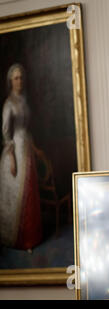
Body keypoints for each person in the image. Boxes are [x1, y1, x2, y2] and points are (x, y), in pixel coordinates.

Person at [0, 63, 42, 250]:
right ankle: (18, 239)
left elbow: (27, 128)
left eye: (21, 77)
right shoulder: (8, 104)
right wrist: (12, 159)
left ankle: (30, 238)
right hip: (15, 151)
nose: (19, 81)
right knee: (18, 195)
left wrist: (34, 147)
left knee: (30, 192)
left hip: (27, 150)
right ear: (11, 81)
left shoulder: (24, 101)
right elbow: (6, 132)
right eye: (16, 78)